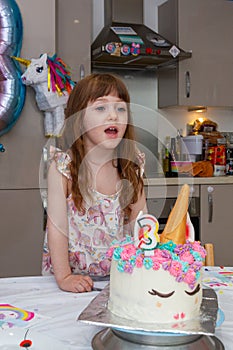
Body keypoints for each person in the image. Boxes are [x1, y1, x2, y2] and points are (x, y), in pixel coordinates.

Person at [42, 73, 147, 293]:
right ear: (78, 118)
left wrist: (145, 266)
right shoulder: (63, 166)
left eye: (120, 108)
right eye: (101, 108)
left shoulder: (132, 164)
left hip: (119, 278)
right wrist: (65, 277)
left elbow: (141, 222)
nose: (113, 116)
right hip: (73, 277)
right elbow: (57, 227)